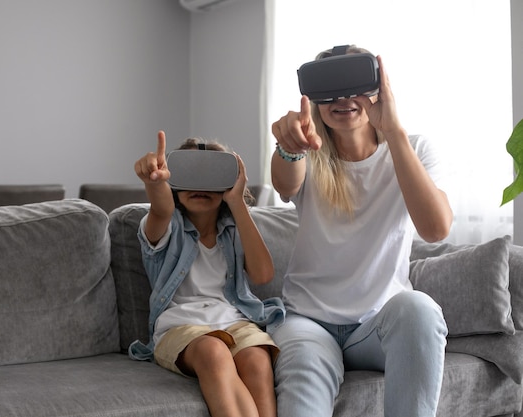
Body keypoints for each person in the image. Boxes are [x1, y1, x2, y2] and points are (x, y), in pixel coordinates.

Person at [269, 45, 453, 417]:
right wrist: (288, 149)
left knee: (420, 309)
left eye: (354, 85)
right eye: (330, 89)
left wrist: (393, 131)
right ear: (314, 97)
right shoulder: (308, 148)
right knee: (303, 370)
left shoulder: (412, 148)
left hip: (377, 324)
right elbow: (285, 183)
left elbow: (435, 230)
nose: (342, 98)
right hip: (308, 321)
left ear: (377, 86)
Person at [130, 131, 285, 417]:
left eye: (211, 176)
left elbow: (263, 275)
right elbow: (162, 208)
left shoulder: (233, 228)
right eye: (190, 175)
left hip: (235, 322)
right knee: (214, 352)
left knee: (256, 360)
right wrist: (156, 183)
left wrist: (238, 203)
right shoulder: (166, 227)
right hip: (181, 327)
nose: (200, 186)